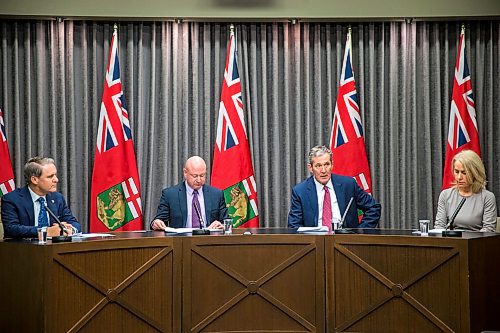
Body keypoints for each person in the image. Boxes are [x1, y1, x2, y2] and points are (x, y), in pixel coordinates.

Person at [288, 145, 381, 229]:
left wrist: (360, 232)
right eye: (318, 166)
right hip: (315, 243)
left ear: (332, 165)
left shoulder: (348, 184)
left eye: (326, 164)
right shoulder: (300, 191)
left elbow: (373, 207)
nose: (323, 170)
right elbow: (294, 225)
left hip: (345, 242)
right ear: (310, 168)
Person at [1, 157, 81, 238]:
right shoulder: (12, 199)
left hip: (54, 248)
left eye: (55, 175)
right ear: (35, 180)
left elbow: (74, 223)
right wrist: (45, 231)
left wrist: (70, 229)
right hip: (24, 248)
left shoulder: (57, 198)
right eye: (50, 176)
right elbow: (11, 229)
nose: (56, 180)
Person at [151, 156, 228, 230]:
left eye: (202, 175)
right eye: (195, 176)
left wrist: (222, 225)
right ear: (185, 173)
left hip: (209, 240)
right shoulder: (170, 195)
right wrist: (157, 223)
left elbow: (226, 221)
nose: (199, 180)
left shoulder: (216, 194)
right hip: (180, 241)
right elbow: (159, 220)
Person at [434, 150, 497, 232]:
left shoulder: (487, 197)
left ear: (475, 173)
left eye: (464, 173)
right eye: (456, 172)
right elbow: (439, 227)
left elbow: (488, 230)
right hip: (451, 242)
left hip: (475, 242)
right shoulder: (445, 195)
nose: (459, 177)